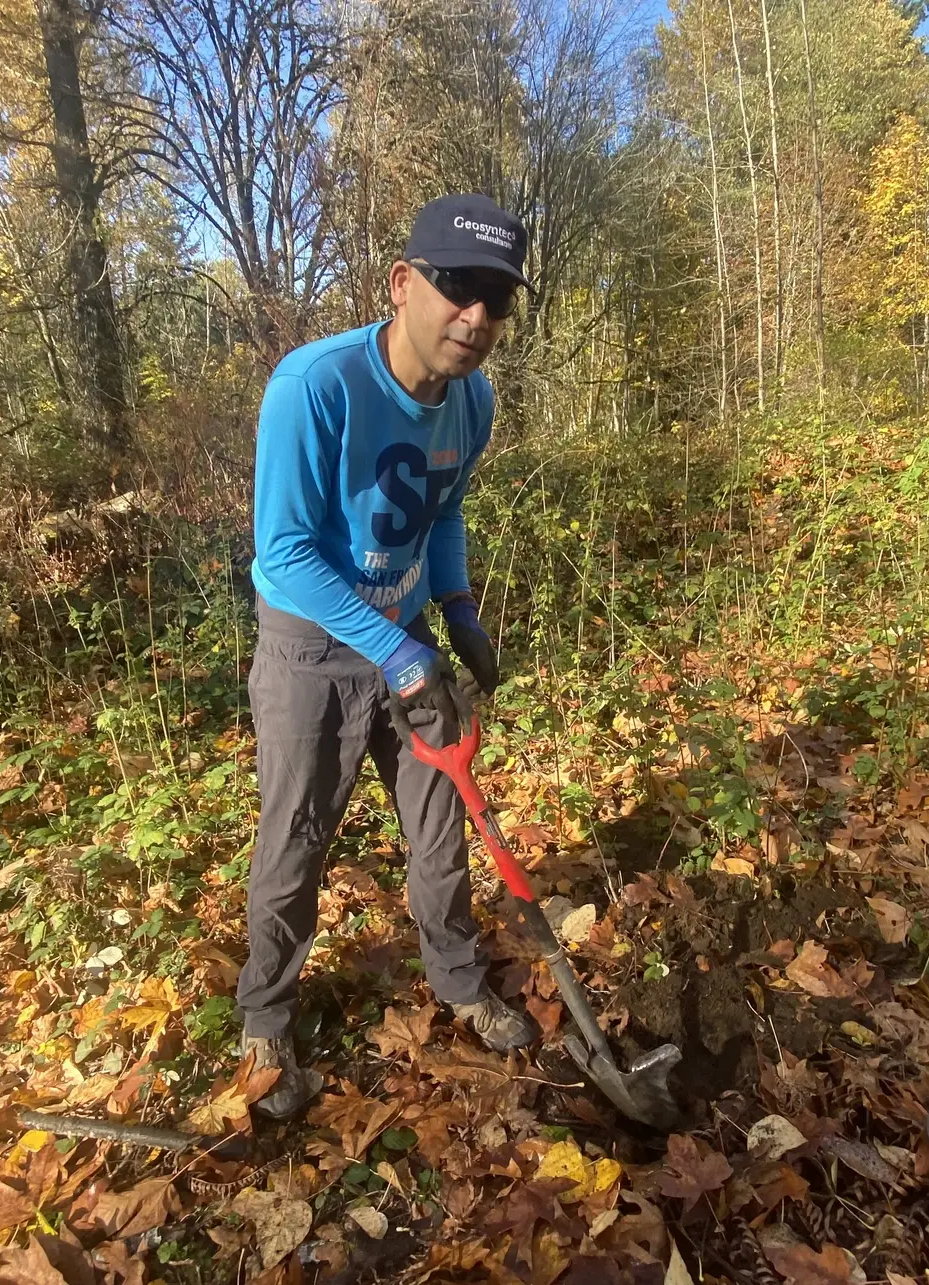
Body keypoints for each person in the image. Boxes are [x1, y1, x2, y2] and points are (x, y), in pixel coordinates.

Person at [237, 193, 538, 1118]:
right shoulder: (314, 386)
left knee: (442, 823)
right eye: (456, 288)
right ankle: (264, 1017)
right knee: (296, 837)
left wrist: (456, 607)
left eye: (496, 298)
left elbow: (441, 510)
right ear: (403, 284)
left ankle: (457, 978)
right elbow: (284, 551)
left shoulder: (473, 400)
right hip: (311, 649)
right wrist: (397, 650)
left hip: (406, 633)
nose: (475, 317)